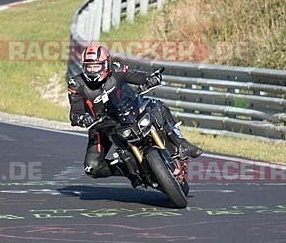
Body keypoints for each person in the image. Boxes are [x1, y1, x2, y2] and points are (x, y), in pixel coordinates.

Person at [68, 44, 202, 179]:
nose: (92, 70)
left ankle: (181, 143)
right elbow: (75, 113)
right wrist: (82, 118)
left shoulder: (117, 69)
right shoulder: (76, 84)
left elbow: (135, 76)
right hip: (102, 125)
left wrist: (150, 79)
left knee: (155, 105)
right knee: (92, 167)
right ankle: (128, 170)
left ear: (106, 65)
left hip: (128, 110)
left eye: (96, 66)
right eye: (88, 66)